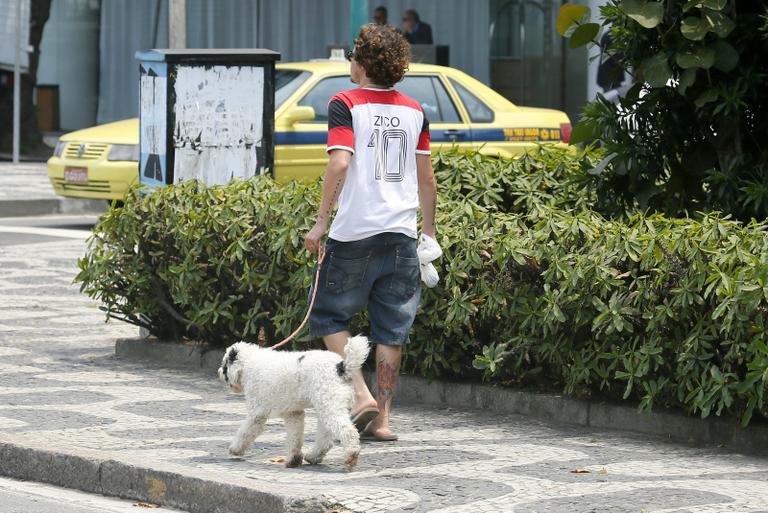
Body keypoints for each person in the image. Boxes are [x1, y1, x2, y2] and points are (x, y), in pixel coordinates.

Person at [304, 24, 437, 442]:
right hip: (401, 234)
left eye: (351, 55)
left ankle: (360, 393)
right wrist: (428, 234)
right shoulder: (416, 110)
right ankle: (383, 420)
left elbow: (340, 163)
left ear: (361, 62)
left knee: (328, 314)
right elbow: (427, 179)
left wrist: (321, 221)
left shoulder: (345, 103)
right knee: (391, 330)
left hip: (355, 233)